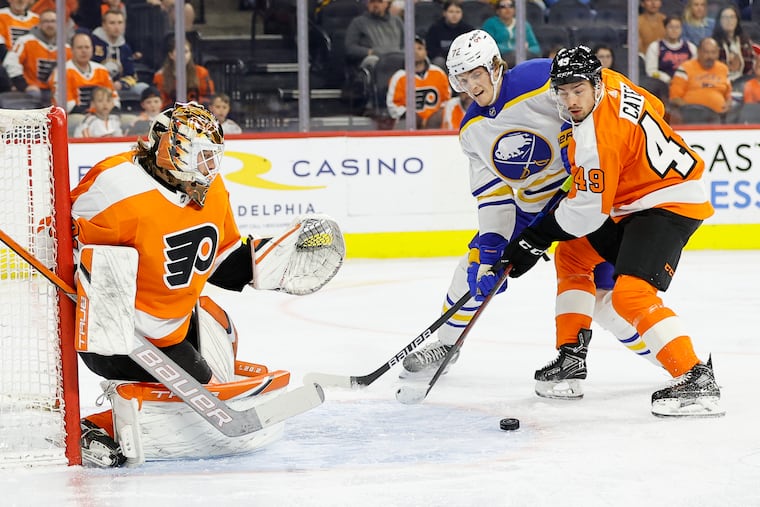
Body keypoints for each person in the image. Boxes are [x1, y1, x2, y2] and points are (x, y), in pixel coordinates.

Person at [71, 101, 342, 466]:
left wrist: (271, 265)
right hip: (123, 336)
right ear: (170, 150)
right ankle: (95, 426)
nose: (209, 167)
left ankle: (148, 403)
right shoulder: (113, 187)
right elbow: (58, 239)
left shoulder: (212, 191)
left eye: (213, 156)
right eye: (199, 156)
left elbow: (220, 259)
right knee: (205, 404)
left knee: (223, 328)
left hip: (175, 323)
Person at [400, 31, 660, 388]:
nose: (472, 85)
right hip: (533, 208)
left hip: (587, 194)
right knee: (473, 266)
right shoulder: (472, 131)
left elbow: (602, 98)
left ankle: (674, 363)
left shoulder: (539, 80)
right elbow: (493, 195)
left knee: (606, 300)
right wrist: (491, 247)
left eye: (477, 73)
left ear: (495, 66)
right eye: (462, 78)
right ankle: (446, 345)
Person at [498, 45, 723, 417]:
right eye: (563, 91)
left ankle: (696, 376)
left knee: (630, 296)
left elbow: (586, 214)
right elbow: (657, 107)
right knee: (572, 254)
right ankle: (571, 358)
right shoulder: (615, 82)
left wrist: (533, 238)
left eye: (578, 91)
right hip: (639, 199)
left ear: (595, 84)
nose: (570, 101)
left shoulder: (596, 140)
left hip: (668, 203)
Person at [2, 9, 71, 105]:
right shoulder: (25, 41)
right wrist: (24, 86)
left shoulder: (66, 48)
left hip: (54, 92)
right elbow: (10, 63)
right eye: (46, 21)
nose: (50, 25)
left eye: (53, 21)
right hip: (31, 91)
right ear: (39, 24)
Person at [386, 35, 450, 128]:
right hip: (408, 125)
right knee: (412, 120)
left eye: (419, 48)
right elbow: (393, 106)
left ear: (426, 52)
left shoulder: (438, 73)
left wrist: (431, 118)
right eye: (412, 49)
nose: (415, 52)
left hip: (435, 123)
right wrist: (414, 117)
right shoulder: (399, 77)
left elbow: (446, 101)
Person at [50, 31, 119, 114]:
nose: (84, 51)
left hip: (102, 115)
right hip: (72, 117)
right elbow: (66, 105)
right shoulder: (62, 72)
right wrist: (92, 114)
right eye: (80, 48)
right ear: (72, 50)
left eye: (87, 47)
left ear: (92, 49)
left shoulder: (102, 70)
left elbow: (114, 98)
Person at [91, 8, 148, 102]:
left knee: (144, 88)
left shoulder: (125, 48)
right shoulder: (92, 42)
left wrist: (121, 83)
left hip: (118, 88)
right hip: (97, 87)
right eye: (112, 23)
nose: (117, 27)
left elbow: (131, 75)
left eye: (120, 23)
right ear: (104, 25)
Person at [669, 37, 732, 115]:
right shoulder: (685, 68)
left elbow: (729, 95)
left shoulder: (724, 69)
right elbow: (675, 98)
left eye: (713, 52)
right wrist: (690, 110)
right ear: (698, 52)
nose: (710, 56)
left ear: (718, 53)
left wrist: (728, 105)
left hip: (719, 118)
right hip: (691, 118)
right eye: (706, 52)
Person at [153, 37, 214, 108]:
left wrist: (192, 105)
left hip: (197, 113)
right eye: (179, 52)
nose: (183, 55)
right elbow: (161, 103)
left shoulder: (201, 72)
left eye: (186, 52)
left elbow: (209, 98)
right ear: (171, 55)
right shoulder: (160, 76)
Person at [344, 0, 404, 72]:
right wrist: (370, 52)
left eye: (379, 1)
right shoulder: (358, 22)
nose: (375, 5)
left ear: (387, 4)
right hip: (374, 61)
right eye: (372, 2)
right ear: (367, 4)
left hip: (398, 60)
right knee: (372, 60)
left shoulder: (397, 21)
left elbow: (406, 44)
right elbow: (350, 48)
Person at [645, 16, 697, 85]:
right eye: (671, 27)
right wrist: (667, 79)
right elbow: (651, 71)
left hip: (687, 84)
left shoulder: (690, 47)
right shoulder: (655, 47)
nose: (674, 30)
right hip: (662, 85)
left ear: (681, 29)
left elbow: (696, 69)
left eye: (677, 27)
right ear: (665, 28)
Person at [712, 4, 754, 84]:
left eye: (732, 17)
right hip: (720, 82)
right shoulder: (713, 43)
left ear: (737, 20)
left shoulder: (745, 42)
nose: (729, 20)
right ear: (719, 21)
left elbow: (752, 66)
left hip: (744, 82)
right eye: (725, 17)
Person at [424, 0, 474, 69]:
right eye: (451, 12)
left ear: (462, 14)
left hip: (461, 59)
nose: (454, 15)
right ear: (444, 13)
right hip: (443, 59)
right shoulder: (435, 29)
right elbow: (431, 50)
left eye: (458, 12)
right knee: (439, 61)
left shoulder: (468, 30)